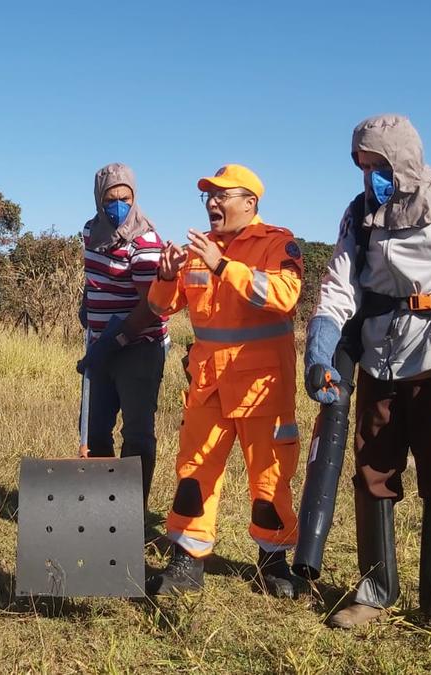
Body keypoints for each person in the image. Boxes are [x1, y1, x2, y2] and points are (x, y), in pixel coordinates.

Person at [306, 114, 431, 633]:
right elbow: (338, 287)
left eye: (379, 165)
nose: (370, 175)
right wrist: (320, 352)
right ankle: (375, 592)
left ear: (404, 160)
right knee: (373, 473)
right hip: (378, 360)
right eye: (362, 165)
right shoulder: (359, 213)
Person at [145, 164, 306, 598]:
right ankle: (187, 560)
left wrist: (224, 266)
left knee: (270, 478)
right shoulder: (198, 248)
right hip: (208, 384)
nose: (212, 203)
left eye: (222, 196)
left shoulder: (277, 241)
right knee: (194, 472)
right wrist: (164, 275)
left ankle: (272, 564)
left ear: (249, 203)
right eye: (208, 197)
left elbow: (284, 296)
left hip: (263, 389)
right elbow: (164, 307)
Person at [76, 163, 169, 505]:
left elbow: (151, 307)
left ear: (134, 197)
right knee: (94, 428)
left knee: (137, 432)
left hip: (139, 344)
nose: (118, 205)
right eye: (110, 198)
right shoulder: (90, 232)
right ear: (99, 200)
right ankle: (104, 508)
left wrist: (114, 342)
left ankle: (131, 513)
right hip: (101, 342)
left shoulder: (145, 241)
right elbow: (92, 277)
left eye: (125, 198)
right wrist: (87, 305)